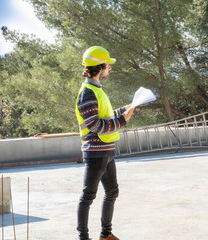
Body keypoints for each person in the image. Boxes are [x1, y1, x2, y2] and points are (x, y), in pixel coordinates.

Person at [75, 46, 134, 240]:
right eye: (108, 65)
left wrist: (122, 110)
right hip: (96, 151)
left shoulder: (96, 90)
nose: (110, 68)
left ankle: (106, 234)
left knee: (112, 192)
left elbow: (104, 116)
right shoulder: (88, 92)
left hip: (107, 151)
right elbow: (95, 125)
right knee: (88, 197)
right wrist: (123, 120)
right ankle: (83, 237)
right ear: (100, 67)